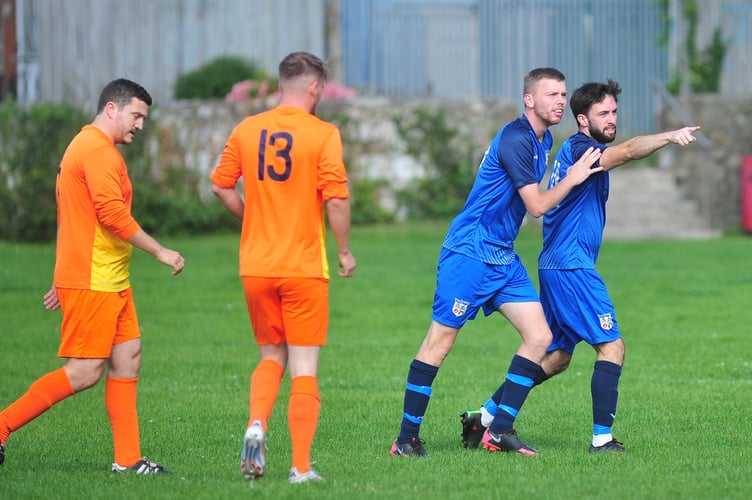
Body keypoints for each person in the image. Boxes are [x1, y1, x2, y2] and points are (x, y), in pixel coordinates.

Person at [469, 79, 700, 453]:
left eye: (614, 112)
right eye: (603, 113)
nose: (611, 119)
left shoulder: (574, 149)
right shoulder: (583, 150)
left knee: (556, 358)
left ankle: (484, 416)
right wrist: (669, 136)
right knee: (613, 347)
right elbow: (627, 152)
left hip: (556, 265)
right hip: (571, 268)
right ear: (582, 119)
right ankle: (602, 440)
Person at [390, 67, 603, 458]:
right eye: (552, 94)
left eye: (563, 94)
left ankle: (499, 429)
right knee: (440, 343)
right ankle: (405, 440)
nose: (560, 101)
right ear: (529, 100)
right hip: (470, 253)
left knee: (540, 338)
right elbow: (536, 206)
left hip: (502, 256)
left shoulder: (543, 139)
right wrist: (572, 177)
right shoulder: (516, 138)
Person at [0, 78, 185, 473]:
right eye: (136, 115)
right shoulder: (98, 151)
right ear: (112, 108)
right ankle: (1, 426)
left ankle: (128, 461)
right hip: (94, 278)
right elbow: (111, 214)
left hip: (106, 277)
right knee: (84, 372)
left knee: (128, 357)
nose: (140, 125)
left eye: (144, 118)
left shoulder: (85, 145)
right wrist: (160, 251)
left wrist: (61, 272)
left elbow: (70, 215)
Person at [210, 51, 356, 484]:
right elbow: (336, 199)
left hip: (256, 266)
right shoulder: (323, 133)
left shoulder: (247, 128)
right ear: (315, 88)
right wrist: (344, 251)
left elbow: (220, 185)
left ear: (280, 85)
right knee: (304, 366)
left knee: (271, 355)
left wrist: (251, 218)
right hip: (303, 266)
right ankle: (301, 467)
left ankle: (257, 423)